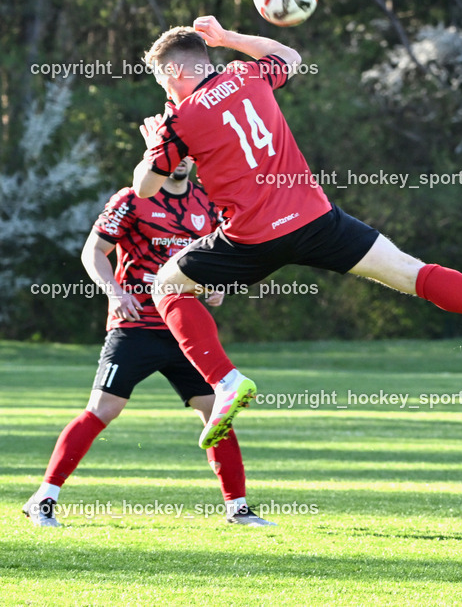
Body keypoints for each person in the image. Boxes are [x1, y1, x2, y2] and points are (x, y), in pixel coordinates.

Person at [131, 16, 462, 450]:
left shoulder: (179, 121)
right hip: (315, 219)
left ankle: (226, 380)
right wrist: (227, 36)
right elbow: (287, 53)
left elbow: (145, 188)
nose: (164, 90)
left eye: (163, 80)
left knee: (169, 284)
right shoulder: (247, 74)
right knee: (413, 272)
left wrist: (154, 145)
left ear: (174, 71)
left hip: (251, 238)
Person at [23, 158, 274, 528]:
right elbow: (92, 251)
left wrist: (217, 286)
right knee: (102, 410)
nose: (182, 159)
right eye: (174, 151)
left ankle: (238, 508)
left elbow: (216, 262)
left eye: (188, 151)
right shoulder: (130, 200)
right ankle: (43, 498)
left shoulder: (207, 202)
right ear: (160, 152)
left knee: (218, 413)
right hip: (134, 326)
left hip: (184, 331)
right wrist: (113, 292)